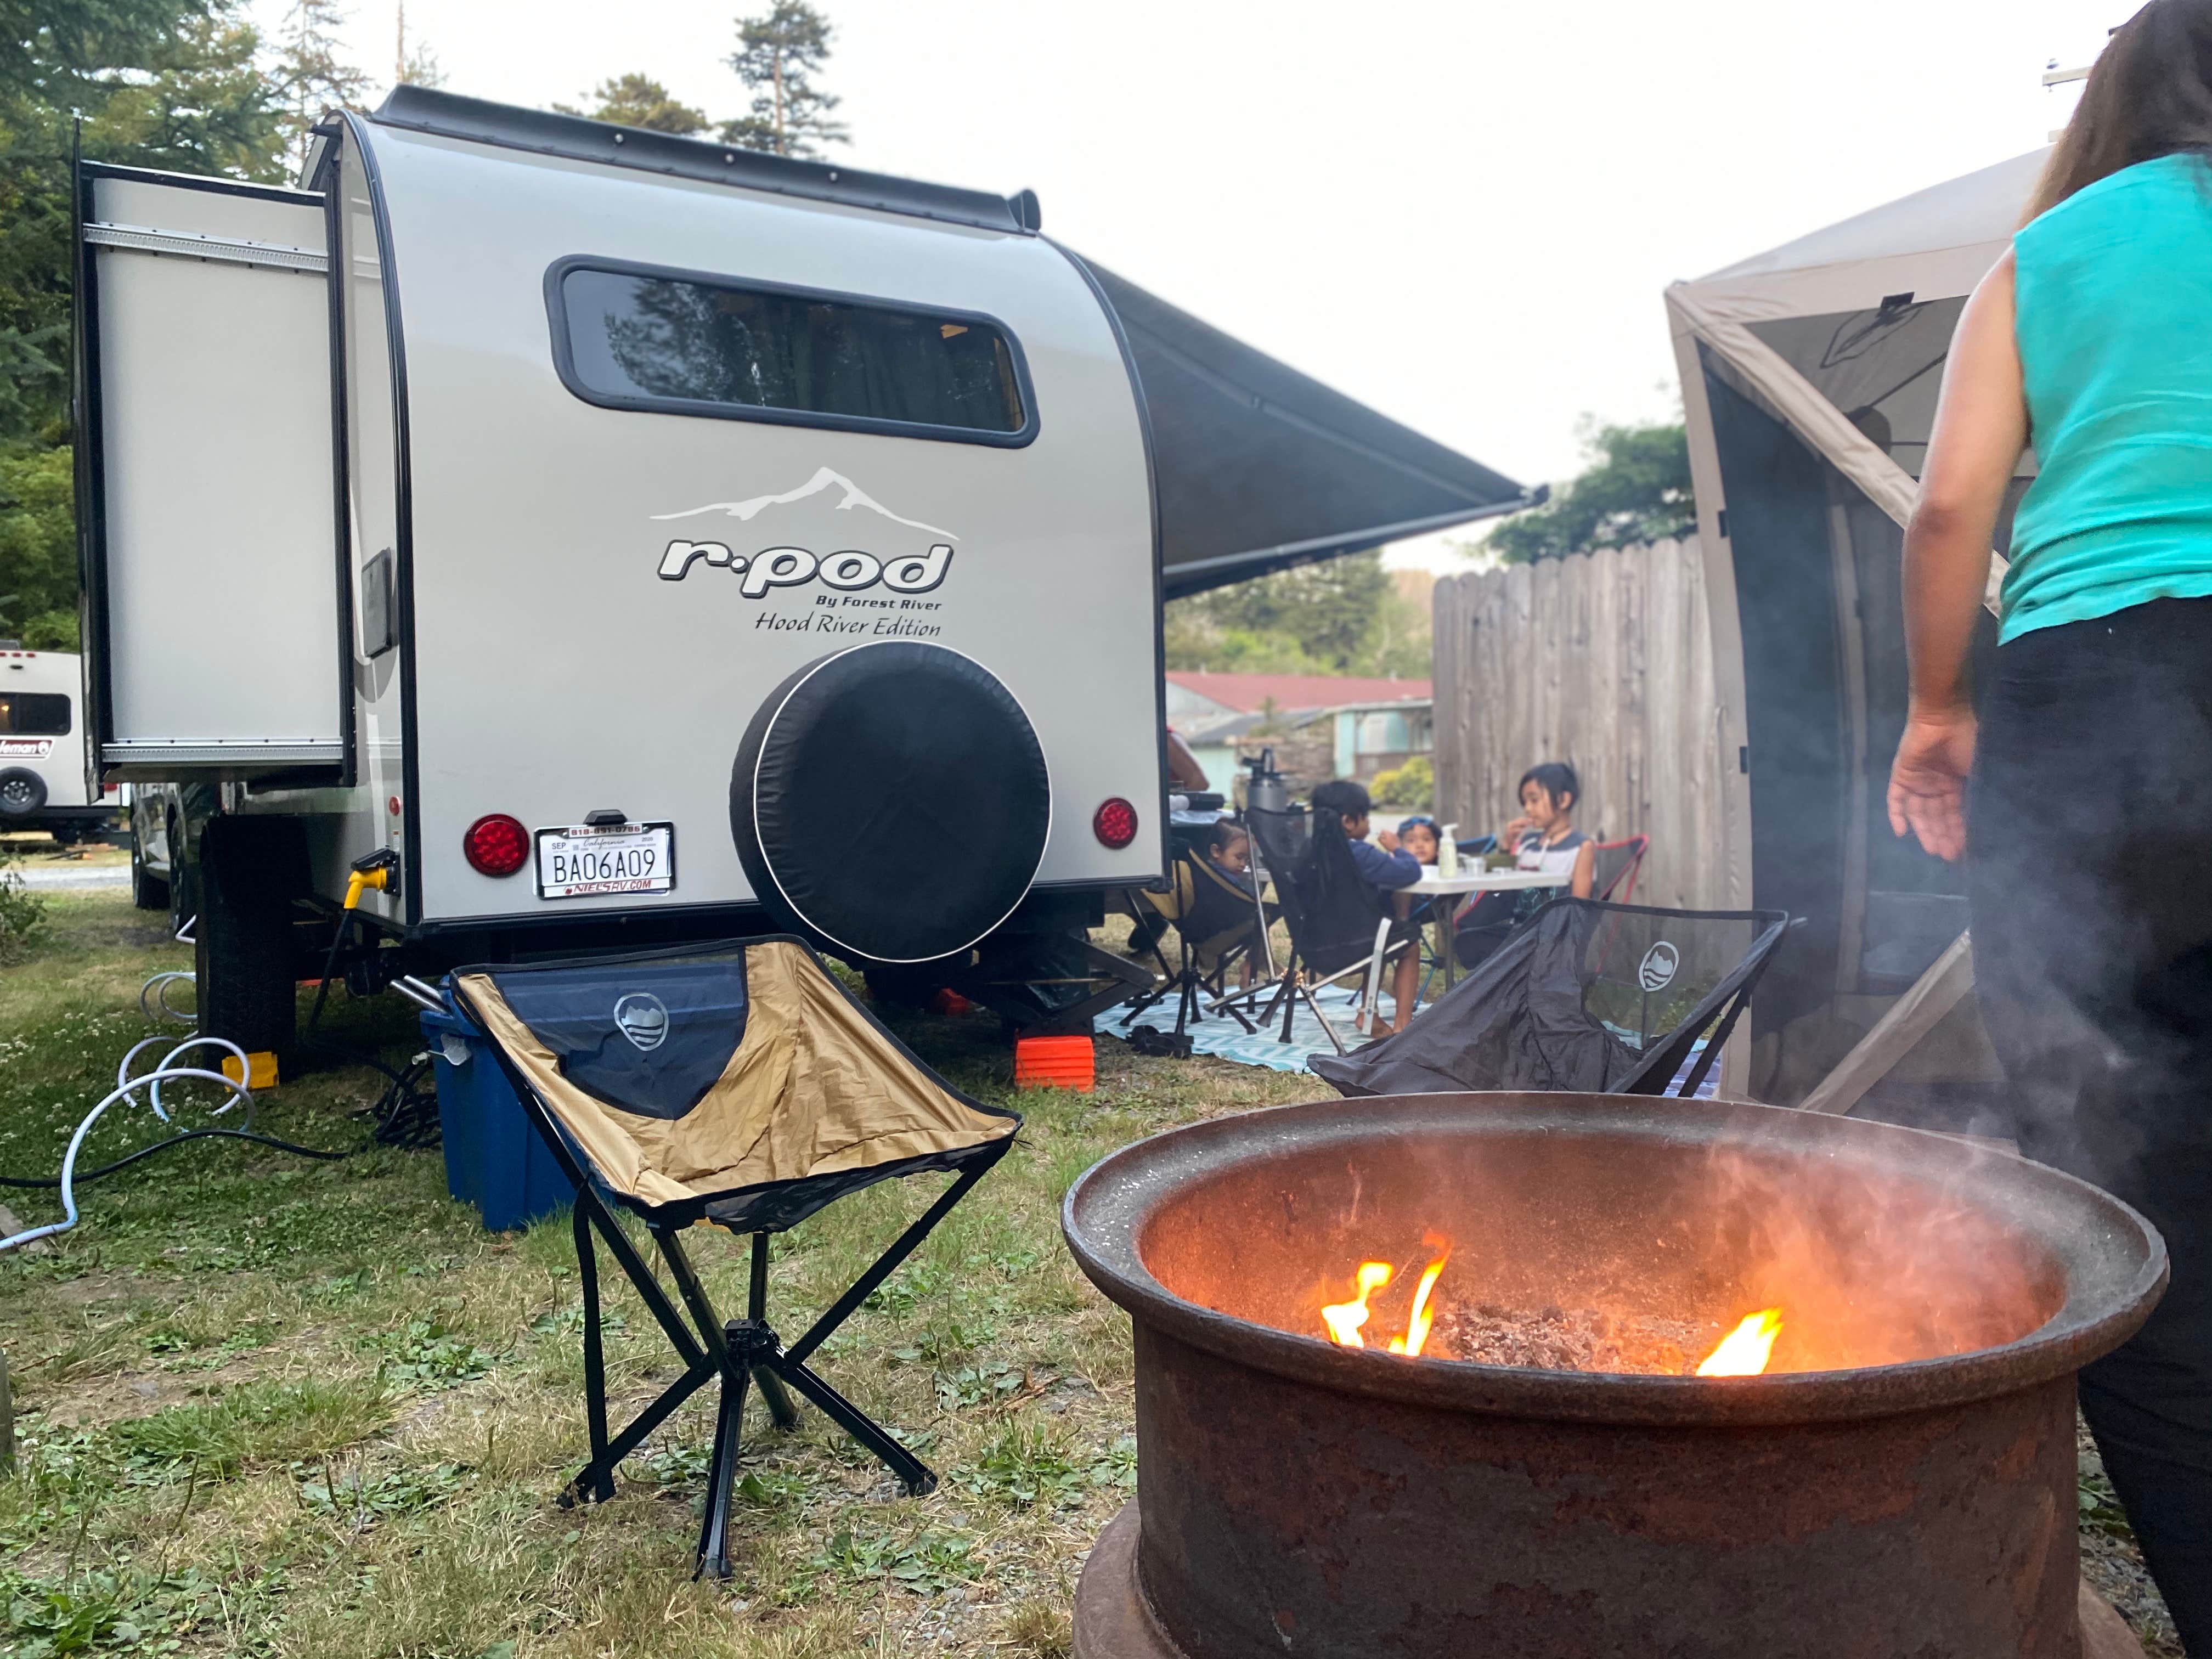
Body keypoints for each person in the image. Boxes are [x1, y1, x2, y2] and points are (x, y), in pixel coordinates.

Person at [1885, 9, 2212, 1643]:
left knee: (2119, 1183)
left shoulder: (2054, 250)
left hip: (2096, 707)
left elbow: (1952, 509)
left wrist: (1942, 713)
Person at [1311, 780, 1422, 1032]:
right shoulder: (1361, 854)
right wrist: (1397, 848)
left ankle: (1368, 1014)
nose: (1370, 824)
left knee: (1380, 934)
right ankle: (1403, 1027)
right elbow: (1409, 872)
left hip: (1314, 948)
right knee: (1408, 945)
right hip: (1354, 951)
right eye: (1366, 818)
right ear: (1349, 822)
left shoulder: (1306, 852)